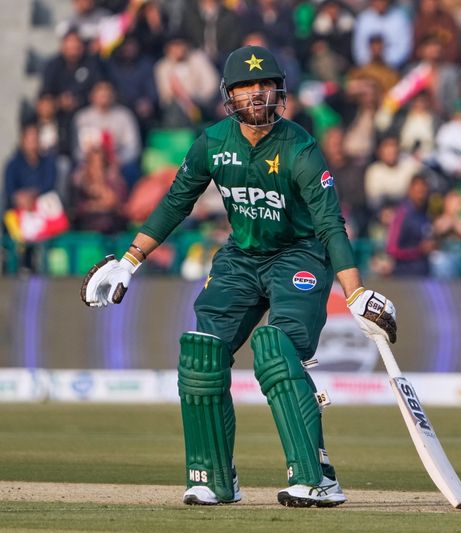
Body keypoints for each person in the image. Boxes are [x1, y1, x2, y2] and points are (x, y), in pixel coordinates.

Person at [80, 45, 397, 508]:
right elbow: (176, 201)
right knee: (202, 354)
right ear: (229, 94)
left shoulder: (300, 148)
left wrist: (355, 293)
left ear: (279, 92)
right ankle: (213, 477)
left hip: (300, 255)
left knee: (277, 350)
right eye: (247, 86)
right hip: (242, 256)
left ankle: (317, 475)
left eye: (266, 85)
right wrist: (129, 261)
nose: (257, 93)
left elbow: (331, 224)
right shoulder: (213, 142)